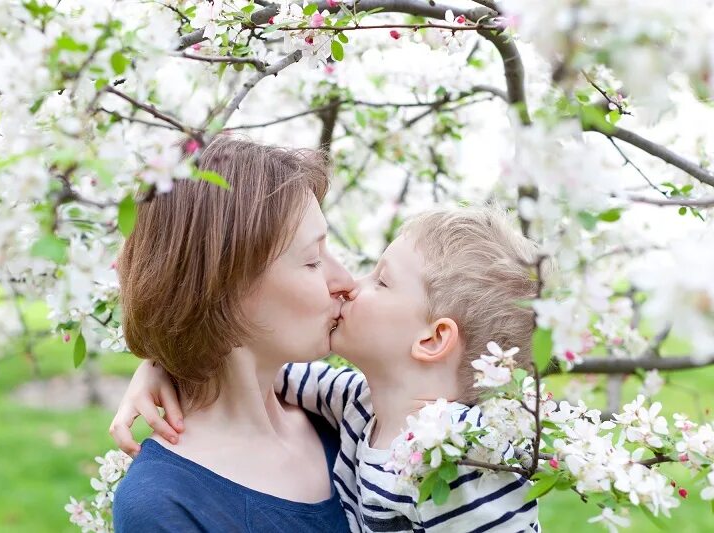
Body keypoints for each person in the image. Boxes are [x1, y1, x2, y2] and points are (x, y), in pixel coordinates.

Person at [113, 207, 543, 531]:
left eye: (382, 281)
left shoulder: (461, 456)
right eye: (312, 259)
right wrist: (164, 362)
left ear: (431, 339)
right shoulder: (356, 404)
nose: (352, 284)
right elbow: (261, 367)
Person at [111, 135, 355, 532]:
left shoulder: (344, 416)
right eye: (312, 261)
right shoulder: (166, 504)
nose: (345, 280)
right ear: (225, 289)